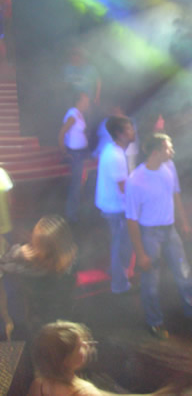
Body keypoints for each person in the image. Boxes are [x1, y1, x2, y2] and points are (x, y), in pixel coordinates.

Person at [125, 133, 192, 339]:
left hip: (170, 230)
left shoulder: (169, 167)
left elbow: (175, 195)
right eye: (168, 148)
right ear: (155, 151)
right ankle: (155, 322)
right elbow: (131, 220)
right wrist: (140, 253)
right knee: (151, 281)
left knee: (184, 272)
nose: (172, 151)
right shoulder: (136, 180)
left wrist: (183, 222)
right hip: (149, 234)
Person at [28, 320, 172, 395]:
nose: (87, 344)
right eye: (80, 346)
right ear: (65, 360)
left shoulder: (40, 384)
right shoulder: (83, 392)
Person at [0, 215, 77, 341]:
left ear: (47, 252)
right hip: (55, 327)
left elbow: (3, 265)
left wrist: (17, 253)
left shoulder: (38, 273)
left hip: (37, 331)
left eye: (34, 243)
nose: (30, 243)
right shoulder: (65, 263)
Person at [96, 115, 136, 294]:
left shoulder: (112, 149)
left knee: (119, 244)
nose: (133, 131)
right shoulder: (116, 155)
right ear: (120, 134)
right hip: (116, 208)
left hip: (110, 205)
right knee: (121, 247)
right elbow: (123, 187)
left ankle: (115, 272)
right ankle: (119, 285)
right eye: (129, 129)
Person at [58, 91, 90, 222]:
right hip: (75, 154)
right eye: (85, 101)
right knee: (75, 185)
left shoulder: (79, 114)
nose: (87, 103)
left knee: (78, 183)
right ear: (78, 101)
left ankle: (74, 212)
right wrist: (64, 152)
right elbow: (62, 133)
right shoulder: (73, 114)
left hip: (80, 153)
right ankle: (71, 215)